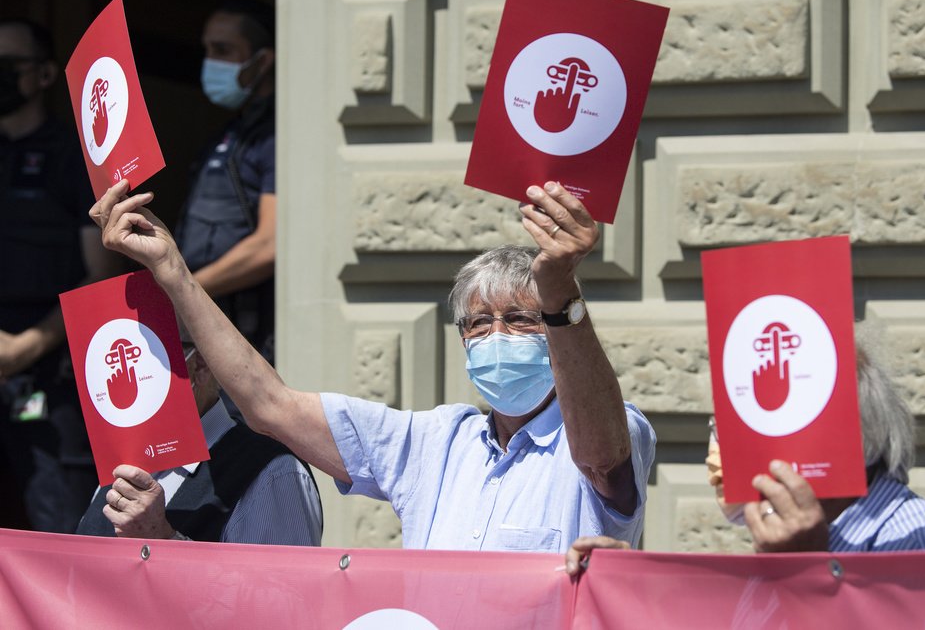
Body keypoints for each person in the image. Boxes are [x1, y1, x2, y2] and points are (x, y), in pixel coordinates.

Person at [90, 178, 656, 552]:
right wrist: (173, 271)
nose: (497, 336)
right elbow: (271, 408)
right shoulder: (436, 443)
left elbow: (602, 457)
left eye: (523, 320)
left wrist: (560, 294)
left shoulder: (615, 427)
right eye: (480, 325)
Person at [564, 333, 925, 574]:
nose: (720, 451)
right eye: (722, 426)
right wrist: (640, 588)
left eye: (748, 425)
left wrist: (809, 573)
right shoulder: (779, 538)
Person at [0, 19, 121, 532]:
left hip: (51, 370)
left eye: (10, 66)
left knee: (60, 531)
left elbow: (100, 276)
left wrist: (24, 347)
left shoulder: (77, 155)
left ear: (45, 73)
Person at [76, 335, 322, 544]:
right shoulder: (119, 461)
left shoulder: (273, 474)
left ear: (199, 366)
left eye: (137, 360)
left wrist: (163, 539)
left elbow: (277, 596)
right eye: (112, 363)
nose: (124, 374)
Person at [174, 0, 276, 365]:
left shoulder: (277, 135)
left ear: (263, 60)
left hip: (250, 338)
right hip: (206, 332)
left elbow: (270, 244)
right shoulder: (229, 134)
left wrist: (182, 289)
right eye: (207, 50)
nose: (211, 60)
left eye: (224, 50)